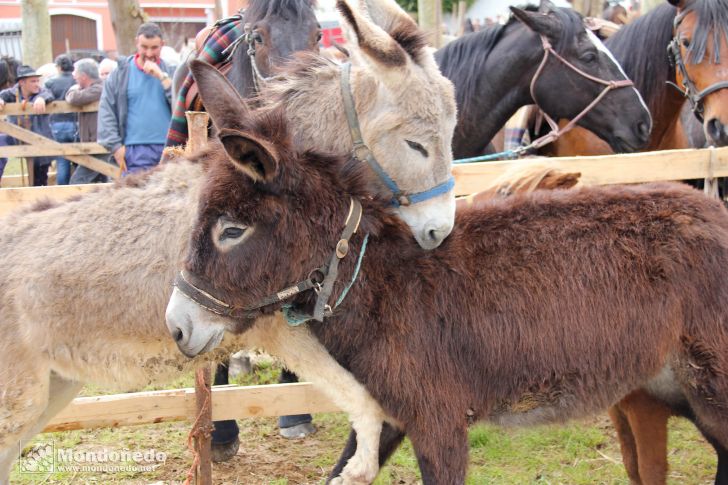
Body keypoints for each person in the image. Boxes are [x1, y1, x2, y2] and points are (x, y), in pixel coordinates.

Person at [97, 22, 174, 175]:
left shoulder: (172, 72)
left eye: (154, 48)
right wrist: (115, 147)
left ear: (162, 45)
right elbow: (106, 111)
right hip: (134, 150)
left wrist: (161, 77)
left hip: (169, 149)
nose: (149, 53)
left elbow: (182, 106)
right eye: (144, 47)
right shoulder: (120, 74)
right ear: (136, 43)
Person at [0, 65, 55, 186]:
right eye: (33, 81)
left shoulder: (42, 92)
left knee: (39, 178)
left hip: (39, 139)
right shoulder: (11, 93)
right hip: (17, 137)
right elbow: (3, 94)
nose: (37, 84)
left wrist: (41, 98)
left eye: (37, 80)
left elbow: (48, 94)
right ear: (22, 82)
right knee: (1, 143)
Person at [66, 58, 106, 184]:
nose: (74, 77)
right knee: (101, 181)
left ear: (84, 76)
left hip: (101, 144)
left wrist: (72, 89)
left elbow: (74, 98)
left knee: (77, 182)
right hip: (94, 144)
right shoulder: (96, 88)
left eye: (76, 74)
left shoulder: (99, 88)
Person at [45, 54, 78, 185]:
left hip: (57, 124)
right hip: (75, 123)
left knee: (62, 160)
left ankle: (62, 189)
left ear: (59, 67)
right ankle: (79, 187)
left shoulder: (50, 82)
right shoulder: (76, 80)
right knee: (80, 159)